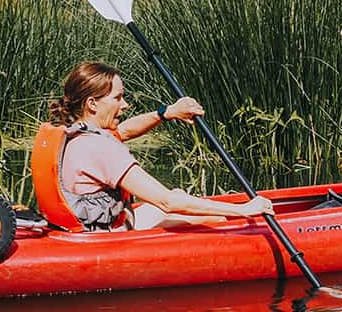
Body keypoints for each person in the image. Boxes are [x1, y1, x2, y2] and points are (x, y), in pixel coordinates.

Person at [44, 61, 272, 231]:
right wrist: (243, 210)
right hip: (108, 239)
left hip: (80, 231)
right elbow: (167, 202)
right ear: (92, 103)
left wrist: (167, 113)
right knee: (215, 220)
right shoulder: (101, 149)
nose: (125, 105)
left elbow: (123, 131)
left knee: (179, 192)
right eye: (117, 98)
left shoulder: (74, 133)